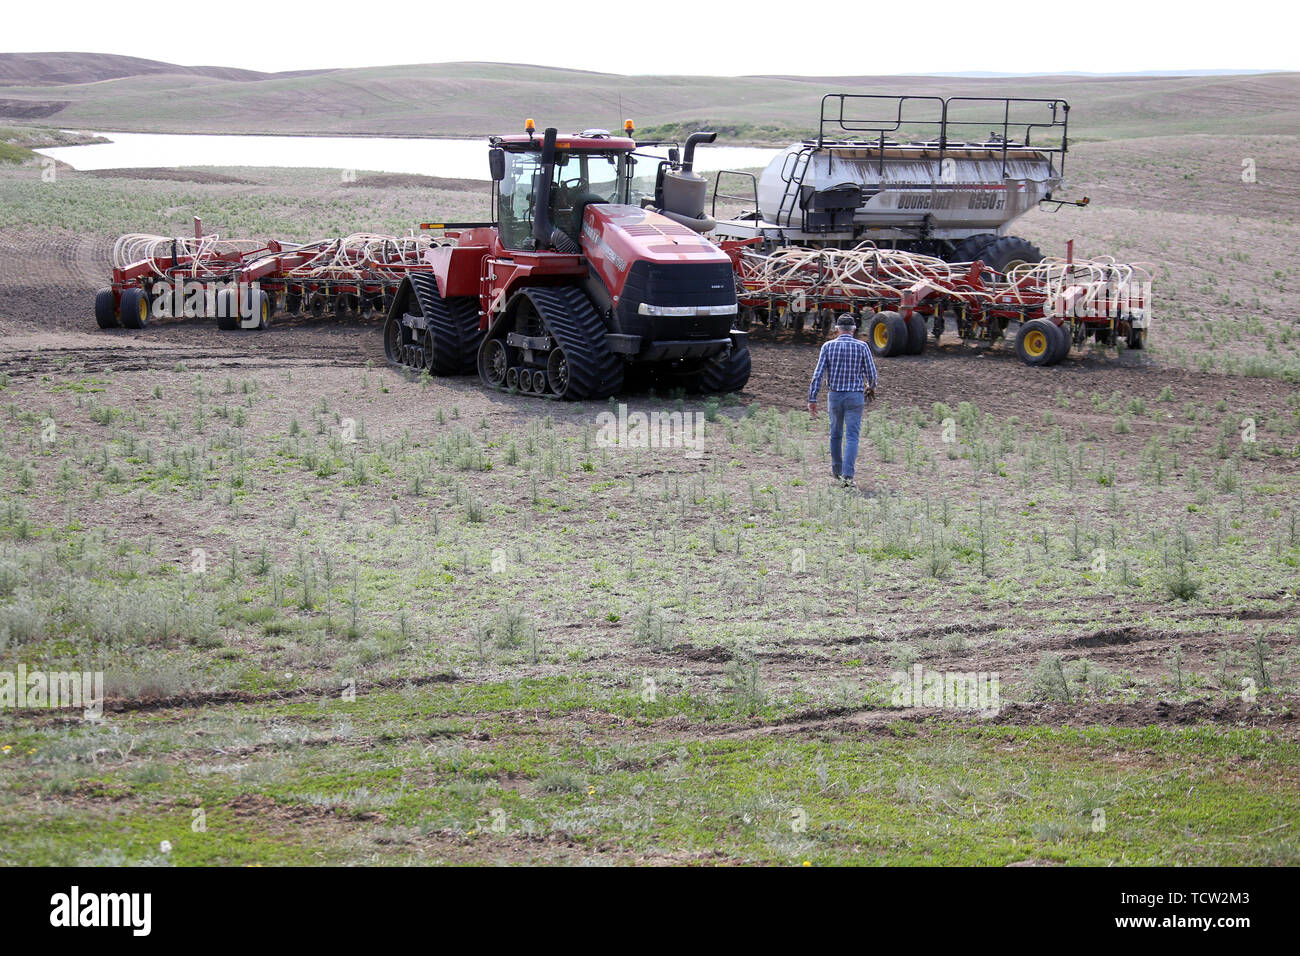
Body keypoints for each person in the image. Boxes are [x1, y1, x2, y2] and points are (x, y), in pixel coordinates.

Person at [807, 314, 878, 487]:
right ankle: (848, 476)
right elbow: (872, 374)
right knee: (852, 436)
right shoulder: (862, 347)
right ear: (853, 329)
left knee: (835, 435)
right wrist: (870, 387)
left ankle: (836, 470)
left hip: (835, 396)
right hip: (855, 396)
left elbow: (817, 375)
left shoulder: (827, 346)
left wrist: (812, 398)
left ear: (837, 329)